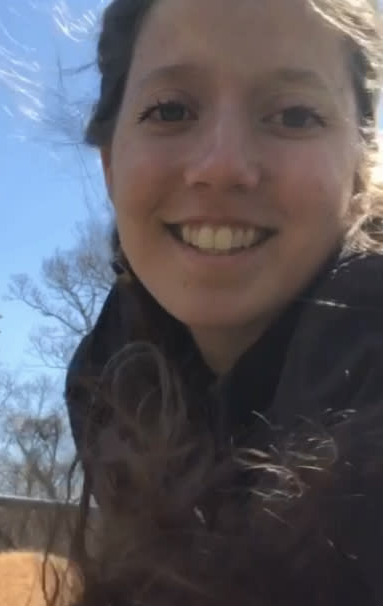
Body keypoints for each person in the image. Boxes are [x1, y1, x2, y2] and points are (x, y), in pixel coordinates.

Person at [64, 0, 383, 604]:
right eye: (172, 110)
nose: (222, 166)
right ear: (110, 163)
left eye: (293, 115)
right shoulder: (113, 382)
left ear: (361, 162)